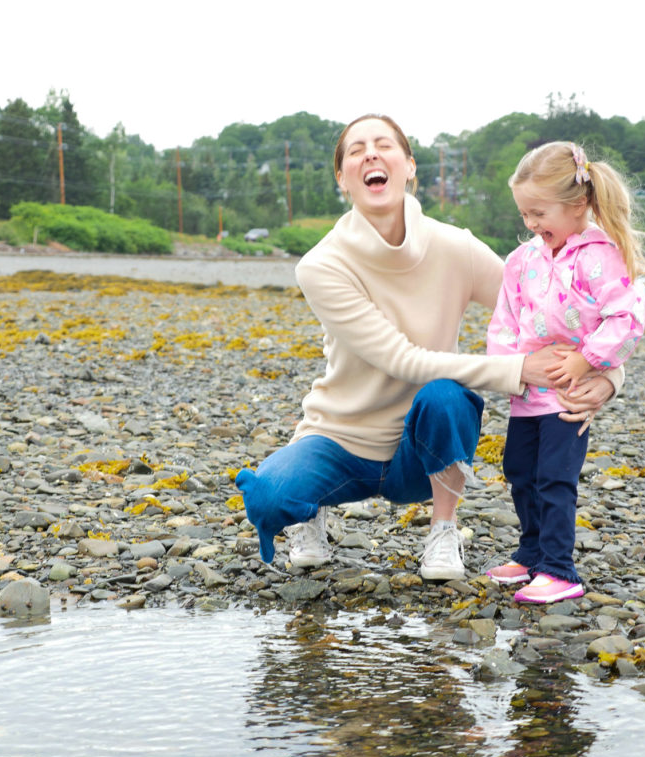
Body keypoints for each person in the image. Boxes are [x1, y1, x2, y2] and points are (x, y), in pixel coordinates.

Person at [235, 116, 621, 581]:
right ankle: (310, 512)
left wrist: (606, 378)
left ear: (410, 166)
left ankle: (443, 529)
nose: (371, 155)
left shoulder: (454, 246)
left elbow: (554, 311)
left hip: (422, 449)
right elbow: (400, 359)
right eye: (356, 150)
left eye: (383, 145)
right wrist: (519, 370)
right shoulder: (321, 265)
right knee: (271, 495)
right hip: (340, 440)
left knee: (446, 395)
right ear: (342, 178)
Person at [485, 141, 645, 603]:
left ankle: (560, 569)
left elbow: (627, 318)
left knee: (556, 478)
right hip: (527, 394)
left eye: (539, 213)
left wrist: (588, 360)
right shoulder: (521, 262)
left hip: (570, 396)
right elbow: (503, 322)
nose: (532, 225)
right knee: (518, 471)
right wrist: (510, 369)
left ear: (578, 205)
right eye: (524, 215)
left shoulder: (603, 255)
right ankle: (532, 552)